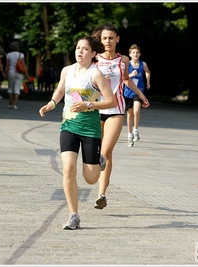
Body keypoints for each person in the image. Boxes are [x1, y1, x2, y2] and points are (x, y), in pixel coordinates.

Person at [38, 36, 116, 230]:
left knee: (91, 178)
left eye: (85, 49)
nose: (80, 51)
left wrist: (89, 104)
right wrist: (52, 104)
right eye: (78, 48)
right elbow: (60, 90)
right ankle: (74, 215)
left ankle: (99, 160)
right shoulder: (67, 70)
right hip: (69, 126)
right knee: (68, 168)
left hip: (90, 129)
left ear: (93, 54)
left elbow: (111, 101)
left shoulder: (95, 74)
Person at [91, 22, 150, 209]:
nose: (108, 41)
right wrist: (99, 84)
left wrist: (141, 95)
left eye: (111, 38)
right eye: (104, 38)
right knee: (96, 153)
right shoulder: (95, 60)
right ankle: (102, 179)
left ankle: (101, 195)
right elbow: (86, 85)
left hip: (116, 110)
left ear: (118, 39)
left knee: (106, 152)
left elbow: (125, 80)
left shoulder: (123, 60)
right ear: (100, 40)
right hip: (96, 110)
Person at [123, 44, 151, 147]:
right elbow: (122, 77)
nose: (135, 54)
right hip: (128, 92)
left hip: (139, 91)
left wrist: (148, 81)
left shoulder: (143, 64)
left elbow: (147, 72)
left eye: (137, 53)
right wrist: (131, 75)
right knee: (129, 115)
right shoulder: (127, 64)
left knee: (136, 110)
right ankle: (129, 135)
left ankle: (136, 129)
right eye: (133, 53)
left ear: (140, 54)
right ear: (130, 54)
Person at [6, 41, 28, 109]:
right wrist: (26, 74)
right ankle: (15, 105)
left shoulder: (8, 55)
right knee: (17, 88)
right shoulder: (21, 55)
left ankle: (10, 104)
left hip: (11, 72)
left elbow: (7, 65)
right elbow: (23, 65)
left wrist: (6, 74)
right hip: (19, 73)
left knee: (10, 88)